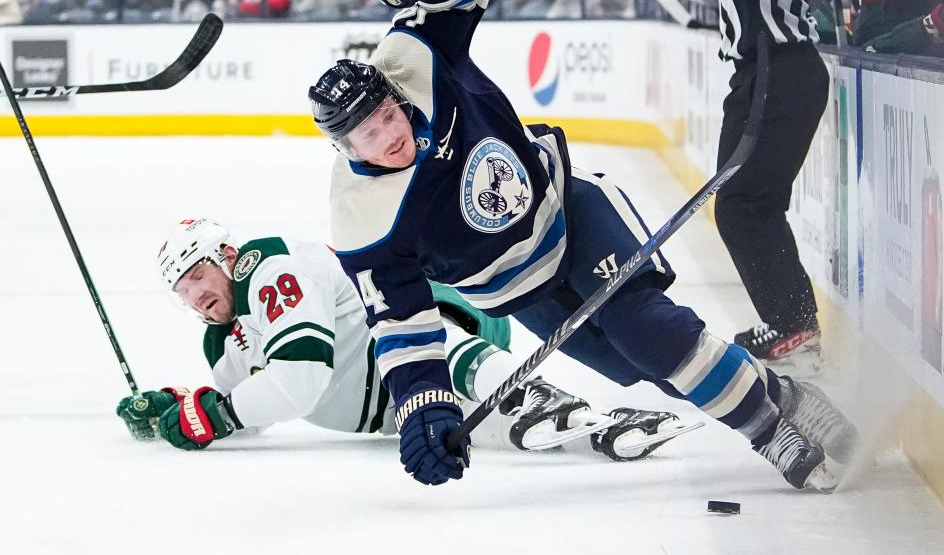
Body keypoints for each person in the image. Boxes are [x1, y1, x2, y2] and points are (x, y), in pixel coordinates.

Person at [307, 0, 857, 491]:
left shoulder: (414, 58)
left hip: (571, 214)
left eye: (386, 115)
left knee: (650, 332)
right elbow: (402, 325)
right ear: (347, 149)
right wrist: (422, 406)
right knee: (652, 368)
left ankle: (770, 435)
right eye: (368, 135)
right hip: (518, 291)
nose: (390, 136)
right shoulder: (362, 218)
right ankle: (786, 397)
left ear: (394, 98)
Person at [116, 218, 694, 463]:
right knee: (501, 435)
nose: (192, 295)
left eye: (195, 275)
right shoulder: (224, 343)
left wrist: (215, 414)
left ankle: (532, 391)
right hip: (395, 410)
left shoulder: (268, 269)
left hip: (424, 333)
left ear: (225, 257)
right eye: (180, 290)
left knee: (444, 350)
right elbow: (249, 411)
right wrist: (182, 404)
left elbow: (298, 382)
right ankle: (597, 429)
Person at [680, 0, 828, 362]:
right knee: (753, 204)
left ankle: (793, 325)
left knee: (743, 205)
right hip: (769, 73)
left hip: (776, 72)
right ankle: (795, 325)